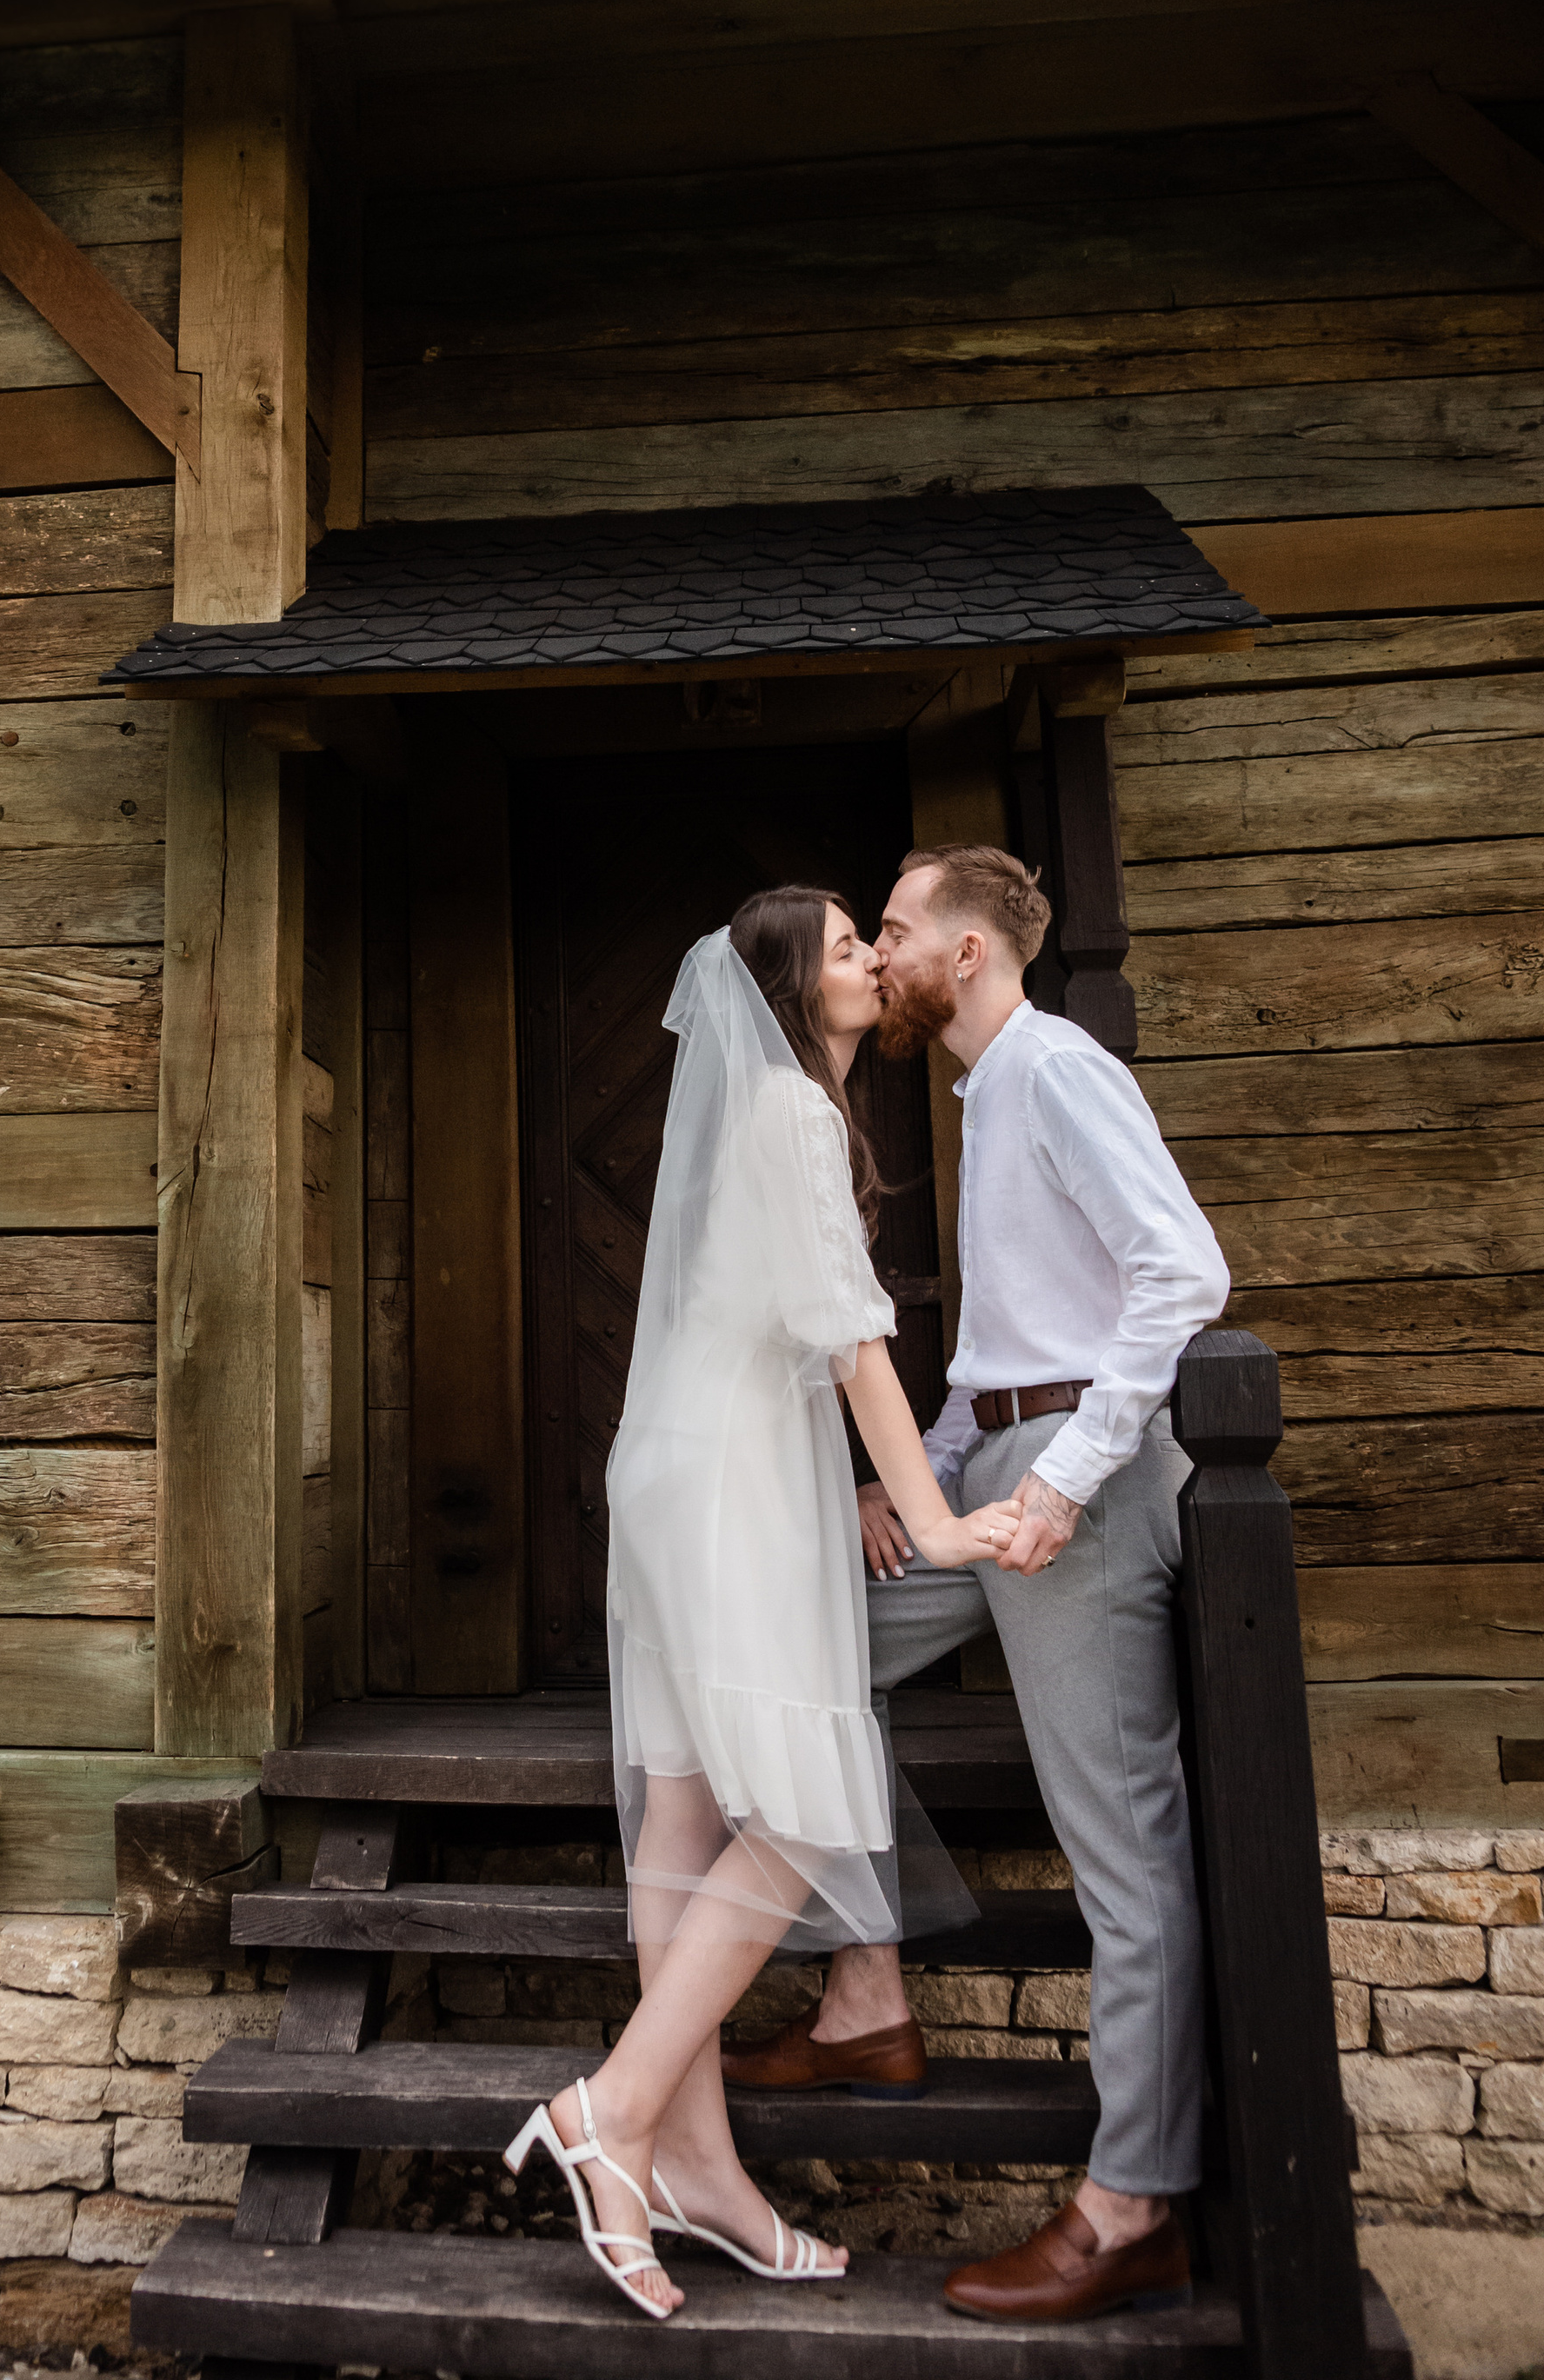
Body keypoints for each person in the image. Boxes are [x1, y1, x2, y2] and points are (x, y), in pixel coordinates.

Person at [720, 843, 1229, 2326]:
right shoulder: (985, 1090)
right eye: (866, 936)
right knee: (806, 1664)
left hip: (1080, 1486)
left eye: (893, 930)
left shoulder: (1056, 1067)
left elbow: (1182, 1274)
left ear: (967, 951)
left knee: (1123, 1852)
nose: (878, 955)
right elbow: (1009, 1346)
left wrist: (1066, 1484)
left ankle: (1132, 2207)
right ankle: (868, 1988)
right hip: (996, 1476)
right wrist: (915, 1486)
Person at [506, 886, 1021, 2320]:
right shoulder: (792, 1113)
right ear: (797, 988)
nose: (871, 958)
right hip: (732, 1493)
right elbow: (852, 1341)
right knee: (798, 1815)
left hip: (674, 1474)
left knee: (685, 1816)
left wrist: (857, 1490)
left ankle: (700, 2173)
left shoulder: (769, 1115)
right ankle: (612, 2114)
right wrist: (928, 1513)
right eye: (851, 944)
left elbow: (770, 1329)